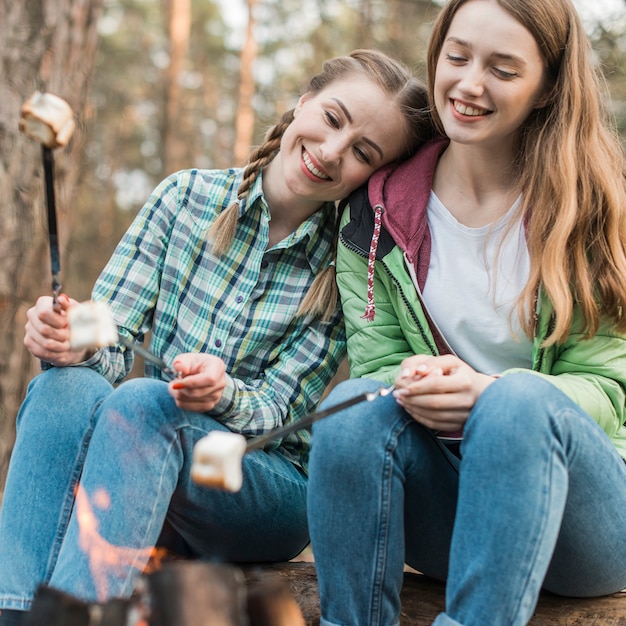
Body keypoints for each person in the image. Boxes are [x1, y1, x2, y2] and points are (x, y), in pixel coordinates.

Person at [0, 49, 434, 624]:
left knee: (146, 399)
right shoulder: (184, 198)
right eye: (332, 119)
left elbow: (281, 413)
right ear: (303, 104)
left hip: (259, 484)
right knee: (66, 387)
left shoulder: (346, 266)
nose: (332, 151)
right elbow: (111, 339)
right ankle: (18, 612)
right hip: (147, 455)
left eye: (362, 152)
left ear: (374, 176)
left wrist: (224, 394)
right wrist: (72, 340)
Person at [307, 2, 626, 625]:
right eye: (457, 57)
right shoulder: (377, 214)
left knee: (517, 402)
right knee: (351, 410)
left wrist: (490, 394)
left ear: (547, 88)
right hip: (452, 512)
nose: (469, 84)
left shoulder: (592, 207)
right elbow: (381, 366)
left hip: (585, 522)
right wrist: (421, 384)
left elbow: (613, 390)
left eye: (503, 70)